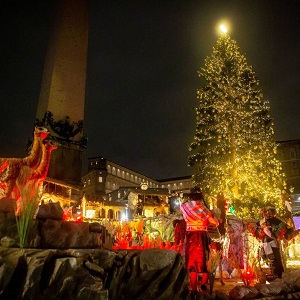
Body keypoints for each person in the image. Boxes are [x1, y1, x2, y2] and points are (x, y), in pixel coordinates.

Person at [180, 187, 219, 297]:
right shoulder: (203, 208)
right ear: (200, 196)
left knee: (192, 263)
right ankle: (203, 286)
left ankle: (193, 289)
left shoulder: (184, 206)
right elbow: (214, 222)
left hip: (190, 236)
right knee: (205, 261)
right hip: (201, 235)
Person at [248, 206, 295, 279]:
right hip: (269, 243)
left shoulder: (269, 222)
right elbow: (289, 230)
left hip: (269, 243)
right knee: (274, 259)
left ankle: (276, 274)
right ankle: (276, 274)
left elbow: (255, 232)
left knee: (273, 259)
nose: (268, 213)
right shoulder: (268, 222)